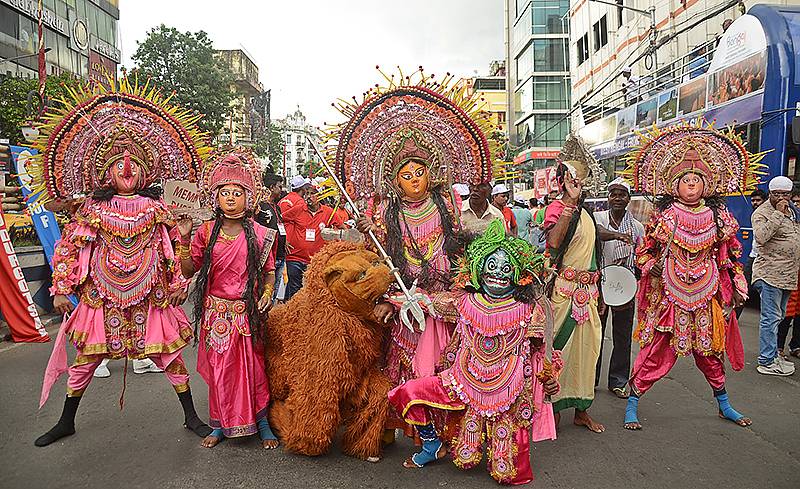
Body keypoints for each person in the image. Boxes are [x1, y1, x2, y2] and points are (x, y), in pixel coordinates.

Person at [34, 81, 212, 446]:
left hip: (151, 294)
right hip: (102, 293)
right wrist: (62, 289)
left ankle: (191, 416)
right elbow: (68, 248)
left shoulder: (158, 209)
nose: (127, 170)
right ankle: (66, 420)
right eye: (118, 165)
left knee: (168, 355)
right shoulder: (92, 209)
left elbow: (170, 249)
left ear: (147, 173)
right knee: (86, 358)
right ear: (106, 172)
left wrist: (178, 280)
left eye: (133, 165)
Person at [332, 69, 497, 440]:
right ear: (396, 181)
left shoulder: (446, 203)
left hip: (441, 295)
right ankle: (401, 424)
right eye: (406, 175)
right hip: (404, 294)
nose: (414, 179)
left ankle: (444, 428)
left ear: (431, 174)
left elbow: (458, 243)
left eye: (419, 172)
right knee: (399, 362)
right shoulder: (388, 212)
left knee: (440, 364)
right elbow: (378, 254)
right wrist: (368, 232)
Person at [387, 219, 560, 485]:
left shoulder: (531, 310)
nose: (498, 274)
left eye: (505, 268)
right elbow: (426, 302)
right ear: (478, 269)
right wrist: (395, 299)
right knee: (407, 392)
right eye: (490, 266)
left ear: (518, 274)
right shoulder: (463, 301)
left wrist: (549, 378)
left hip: (509, 390)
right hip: (461, 381)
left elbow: (545, 352)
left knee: (512, 473)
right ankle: (431, 443)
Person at [622, 123, 758, 430]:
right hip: (670, 295)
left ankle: (724, 404)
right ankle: (632, 403)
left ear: (707, 184)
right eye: (687, 180)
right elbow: (644, 252)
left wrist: (736, 284)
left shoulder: (719, 218)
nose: (692, 184)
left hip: (706, 294)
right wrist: (649, 266)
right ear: (675, 185)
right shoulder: (664, 216)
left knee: (709, 354)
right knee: (656, 351)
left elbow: (732, 255)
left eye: (698, 179)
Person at [177, 148, 279, 449]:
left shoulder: (261, 234)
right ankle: (219, 423)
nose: (231, 198)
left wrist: (268, 293)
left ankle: (261, 422)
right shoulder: (205, 232)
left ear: (249, 198)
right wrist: (183, 239)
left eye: (237, 192)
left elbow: (269, 271)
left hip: (248, 312)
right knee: (220, 370)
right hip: (216, 314)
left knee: (255, 368)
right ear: (216, 198)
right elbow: (188, 269)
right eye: (225, 193)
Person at [544, 134, 621, 434]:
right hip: (564, 294)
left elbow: (593, 253)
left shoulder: (588, 213)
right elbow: (553, 243)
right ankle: (552, 407)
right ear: (563, 181)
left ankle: (581, 410)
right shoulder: (556, 209)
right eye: (572, 178)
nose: (577, 184)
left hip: (588, 294)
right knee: (559, 351)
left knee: (589, 352)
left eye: (581, 179)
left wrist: (599, 291)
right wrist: (570, 205)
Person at [593, 177, 645, 398]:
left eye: (621, 194)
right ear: (608, 197)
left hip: (624, 287)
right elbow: (597, 233)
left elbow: (642, 255)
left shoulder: (637, 227)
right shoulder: (597, 218)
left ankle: (618, 380)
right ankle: (589, 380)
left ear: (628, 199)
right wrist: (616, 235)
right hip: (600, 285)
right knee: (595, 333)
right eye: (613, 193)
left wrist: (637, 271)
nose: (617, 198)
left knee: (622, 336)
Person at [752, 175, 800, 376]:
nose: (781, 198)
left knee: (779, 316)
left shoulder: (793, 211)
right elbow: (761, 237)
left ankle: (772, 355)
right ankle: (766, 360)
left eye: (785, 194)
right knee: (770, 318)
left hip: (788, 275)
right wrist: (778, 214)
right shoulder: (762, 212)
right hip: (769, 274)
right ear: (770, 193)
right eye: (777, 194)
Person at [256, 173, 287, 302]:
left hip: (280, 256)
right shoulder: (260, 208)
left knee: (272, 296)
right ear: (272, 187)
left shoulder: (277, 207)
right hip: (269, 258)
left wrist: (285, 243)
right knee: (264, 294)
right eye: (280, 187)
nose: (282, 190)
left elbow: (280, 227)